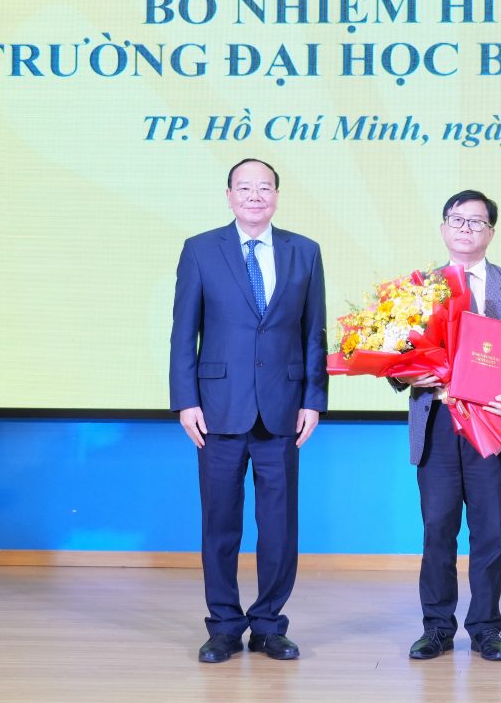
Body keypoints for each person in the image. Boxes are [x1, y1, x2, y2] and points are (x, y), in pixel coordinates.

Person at [169, 158, 327, 663]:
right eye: (245, 187)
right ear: (229, 194)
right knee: (220, 523)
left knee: (280, 525)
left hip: (283, 407)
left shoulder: (304, 251)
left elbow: (313, 333)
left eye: (264, 188)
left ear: (277, 195)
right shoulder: (199, 250)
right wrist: (186, 400)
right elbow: (182, 333)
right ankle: (223, 625)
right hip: (216, 409)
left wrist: (313, 399)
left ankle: (268, 623)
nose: (255, 195)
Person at [396, 190, 501, 662]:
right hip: (439, 421)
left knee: (489, 533)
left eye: (476, 222)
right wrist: (405, 372)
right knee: (437, 529)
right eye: (457, 221)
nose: (465, 229)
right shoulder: (421, 286)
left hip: (494, 424)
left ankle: (485, 628)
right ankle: (437, 627)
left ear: (491, 233)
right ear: (443, 228)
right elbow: (399, 356)